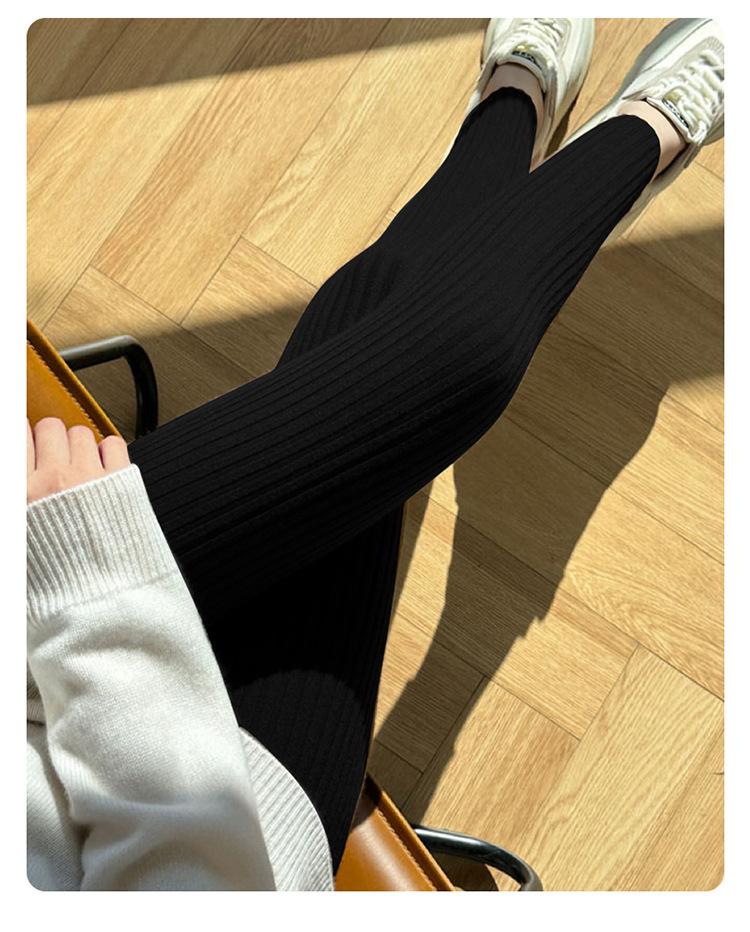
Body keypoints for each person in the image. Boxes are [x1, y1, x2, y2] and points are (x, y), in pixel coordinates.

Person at [26, 18, 724, 890]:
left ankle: (524, 113)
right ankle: (614, 129)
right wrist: (91, 609)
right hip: (218, 823)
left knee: (365, 319)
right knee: (449, 355)